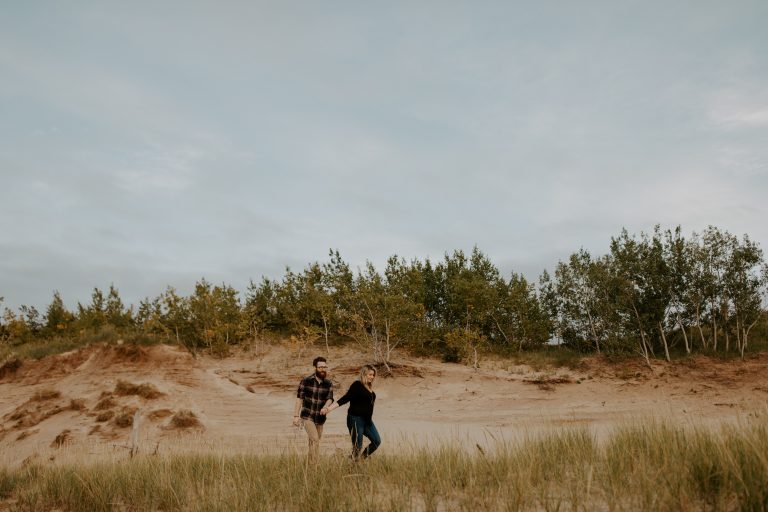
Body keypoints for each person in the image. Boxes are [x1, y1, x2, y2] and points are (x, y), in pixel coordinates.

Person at [323, 364, 381, 460]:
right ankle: (354, 464)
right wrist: (329, 408)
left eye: (373, 375)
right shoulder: (357, 385)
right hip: (355, 419)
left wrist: (368, 420)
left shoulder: (370, 388)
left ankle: (361, 459)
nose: (372, 377)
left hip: (367, 421)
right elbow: (346, 398)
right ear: (364, 374)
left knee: (376, 441)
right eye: (370, 374)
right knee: (357, 446)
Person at [293, 356, 334, 462]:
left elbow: (330, 399)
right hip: (307, 416)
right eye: (320, 367)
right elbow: (299, 399)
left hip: (320, 418)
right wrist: (296, 416)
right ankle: (315, 465)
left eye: (325, 367)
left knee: (313, 442)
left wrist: (325, 407)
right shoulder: (306, 381)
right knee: (315, 440)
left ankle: (310, 466)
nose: (323, 369)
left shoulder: (328, 383)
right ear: (315, 368)